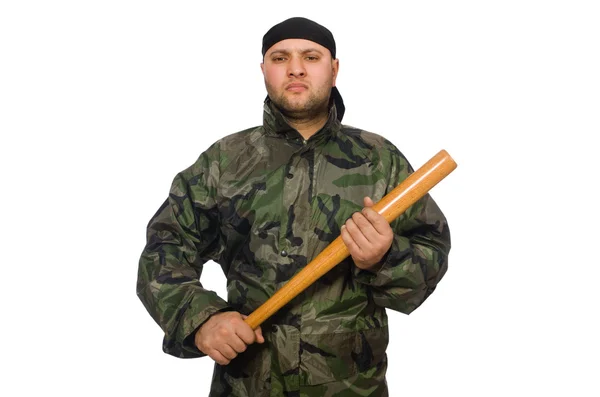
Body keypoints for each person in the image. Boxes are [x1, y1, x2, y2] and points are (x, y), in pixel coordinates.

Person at [137, 16, 451, 397]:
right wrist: (202, 319)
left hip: (353, 388)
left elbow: (430, 251)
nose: (296, 68)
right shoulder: (225, 162)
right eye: (280, 57)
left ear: (334, 70)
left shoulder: (379, 159)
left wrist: (384, 258)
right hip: (248, 387)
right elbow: (164, 250)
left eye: (311, 57)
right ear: (263, 70)